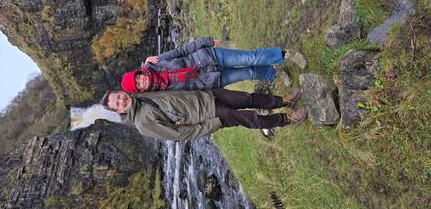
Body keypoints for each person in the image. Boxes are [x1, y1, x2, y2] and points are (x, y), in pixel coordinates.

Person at [100, 88, 306, 141]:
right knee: (250, 118)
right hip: (209, 114)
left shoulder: (138, 97)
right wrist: (213, 124)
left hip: (206, 96)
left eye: (118, 96)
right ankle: (288, 119)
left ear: (121, 92)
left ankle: (284, 101)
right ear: (119, 110)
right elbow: (180, 134)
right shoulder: (142, 124)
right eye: (117, 103)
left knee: (247, 98)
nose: (121, 100)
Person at [120, 37, 306, 93]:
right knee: (249, 73)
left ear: (139, 73)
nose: (142, 81)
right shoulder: (161, 95)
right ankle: (273, 73)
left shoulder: (156, 62)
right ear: (141, 90)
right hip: (211, 80)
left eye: (139, 78)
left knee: (250, 59)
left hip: (209, 57)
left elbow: (183, 51)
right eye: (139, 85)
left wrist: (205, 41)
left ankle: (286, 54)